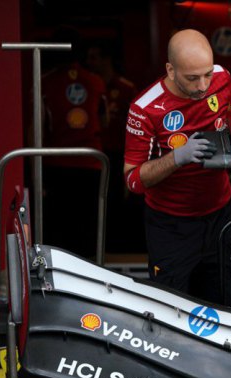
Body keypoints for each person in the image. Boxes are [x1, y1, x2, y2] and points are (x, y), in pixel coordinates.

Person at [123, 29, 231, 378]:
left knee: (229, 316)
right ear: (170, 70)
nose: (202, 85)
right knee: (171, 323)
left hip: (222, 217)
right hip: (171, 227)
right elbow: (132, 179)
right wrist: (176, 158)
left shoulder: (221, 79)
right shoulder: (145, 108)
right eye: (192, 78)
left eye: (207, 75)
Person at [41, 26, 108, 258]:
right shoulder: (96, 81)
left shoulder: (44, 82)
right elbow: (104, 120)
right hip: (92, 163)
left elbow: (37, 129)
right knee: (89, 226)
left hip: (56, 164)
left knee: (59, 228)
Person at [85, 41, 141, 253]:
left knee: (118, 201)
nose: (90, 62)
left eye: (94, 57)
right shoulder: (89, 85)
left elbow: (138, 124)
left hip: (119, 153)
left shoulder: (126, 88)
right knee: (95, 201)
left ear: (106, 59)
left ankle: (117, 248)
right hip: (94, 154)